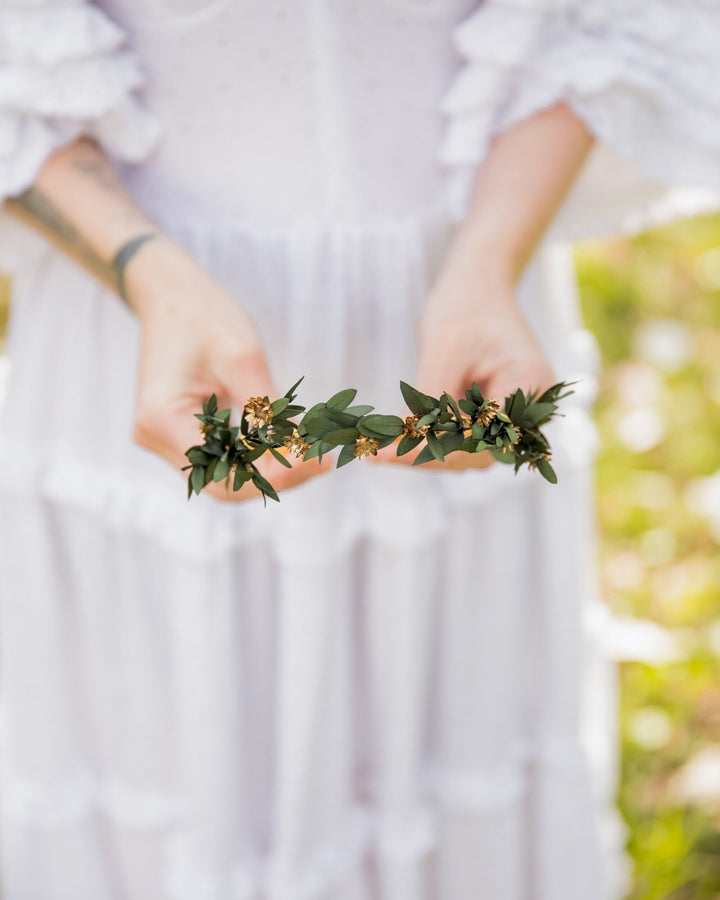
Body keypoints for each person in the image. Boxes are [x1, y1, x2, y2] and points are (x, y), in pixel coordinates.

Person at [0, 2, 717, 899]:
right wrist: (145, 271)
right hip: (147, 343)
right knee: (169, 751)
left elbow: (593, 26)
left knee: (452, 730)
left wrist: (487, 264)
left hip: (462, 311)